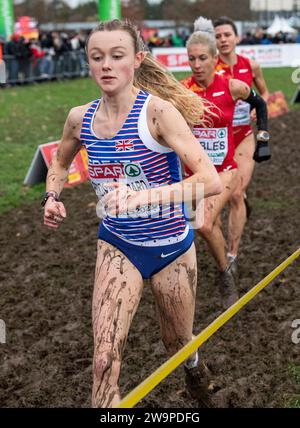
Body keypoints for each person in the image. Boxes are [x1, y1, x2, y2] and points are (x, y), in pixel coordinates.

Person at [42, 19, 222, 408]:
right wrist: (51, 197)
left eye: (116, 56)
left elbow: (211, 180)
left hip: (171, 246)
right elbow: (58, 164)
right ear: (88, 64)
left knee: (178, 343)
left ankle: (193, 369)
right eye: (97, 57)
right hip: (118, 245)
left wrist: (145, 198)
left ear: (137, 60)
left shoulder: (159, 113)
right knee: (104, 357)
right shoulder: (80, 118)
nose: (106, 65)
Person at [181, 17, 269, 309]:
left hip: (228, 165)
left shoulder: (233, 84)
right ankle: (223, 263)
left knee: (207, 221)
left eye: (202, 58)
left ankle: (226, 269)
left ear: (214, 57)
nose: (196, 64)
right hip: (196, 173)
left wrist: (264, 133)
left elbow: (260, 100)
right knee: (207, 223)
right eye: (191, 58)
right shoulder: (183, 91)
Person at [213, 16, 271, 272]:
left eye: (227, 34)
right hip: (217, 141)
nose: (223, 40)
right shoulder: (209, 68)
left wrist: (257, 110)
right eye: (217, 36)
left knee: (235, 194)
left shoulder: (251, 65)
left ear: (236, 38)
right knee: (220, 197)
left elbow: (264, 93)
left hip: (244, 136)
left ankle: (232, 254)